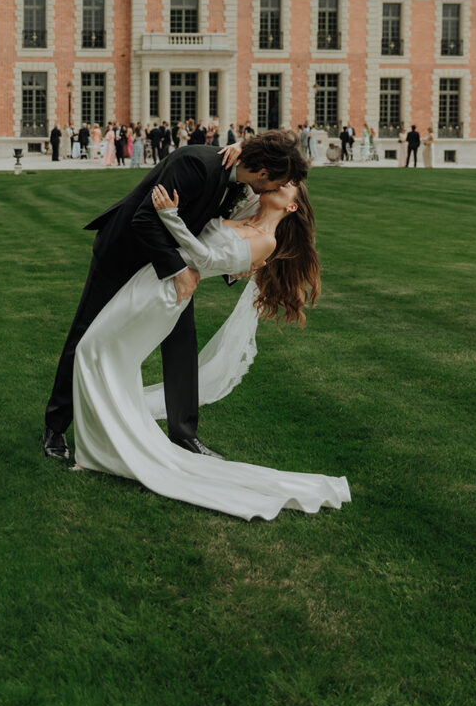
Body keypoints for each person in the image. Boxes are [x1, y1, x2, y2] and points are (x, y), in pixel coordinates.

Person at [70, 180, 350, 520]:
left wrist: (170, 216)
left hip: (166, 293)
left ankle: (97, 453)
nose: (282, 183)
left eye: (290, 186)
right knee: (102, 355)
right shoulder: (247, 209)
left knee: (92, 350)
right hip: (154, 276)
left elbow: (204, 257)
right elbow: (246, 173)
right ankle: (100, 449)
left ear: (292, 206)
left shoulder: (266, 241)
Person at [42, 131, 309, 462]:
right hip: (123, 253)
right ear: (263, 174)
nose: (273, 190)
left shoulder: (242, 179)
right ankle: (55, 427)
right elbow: (144, 219)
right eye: (276, 182)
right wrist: (179, 271)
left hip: (173, 267)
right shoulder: (194, 164)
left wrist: (232, 266)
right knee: (86, 331)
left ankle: (184, 435)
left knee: (182, 343)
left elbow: (217, 232)